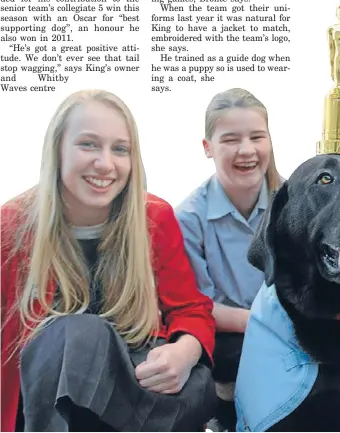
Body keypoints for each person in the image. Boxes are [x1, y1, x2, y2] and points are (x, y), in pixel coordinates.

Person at [0, 89, 217, 432]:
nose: (106, 163)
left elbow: (192, 308)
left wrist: (185, 352)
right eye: (88, 144)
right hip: (50, 406)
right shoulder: (12, 226)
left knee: (198, 383)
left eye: (120, 149)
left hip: (133, 385)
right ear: (57, 149)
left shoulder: (154, 218)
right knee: (81, 332)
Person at [176, 88, 283, 431]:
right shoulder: (189, 218)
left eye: (256, 137)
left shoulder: (293, 199)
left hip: (290, 325)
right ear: (207, 148)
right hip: (231, 336)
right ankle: (225, 418)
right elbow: (198, 306)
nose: (247, 150)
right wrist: (263, 322)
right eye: (231, 140)